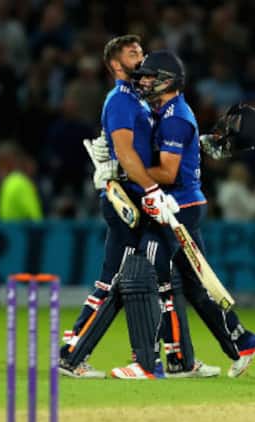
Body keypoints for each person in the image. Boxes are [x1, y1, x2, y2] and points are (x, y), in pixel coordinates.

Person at [59, 35, 216, 380]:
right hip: (130, 201)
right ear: (115, 65)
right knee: (118, 281)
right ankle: (76, 355)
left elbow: (145, 148)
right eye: (133, 54)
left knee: (132, 280)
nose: (142, 59)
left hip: (140, 197)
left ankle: (172, 359)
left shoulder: (139, 100)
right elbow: (128, 153)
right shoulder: (120, 101)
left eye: (142, 52)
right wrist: (150, 187)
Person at [109, 50, 255, 379]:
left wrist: (123, 172)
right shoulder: (167, 111)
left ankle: (149, 363)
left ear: (168, 81)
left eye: (151, 76)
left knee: (149, 277)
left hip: (179, 208)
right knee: (195, 286)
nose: (144, 80)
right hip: (179, 205)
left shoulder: (175, 117)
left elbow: (167, 171)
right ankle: (238, 342)